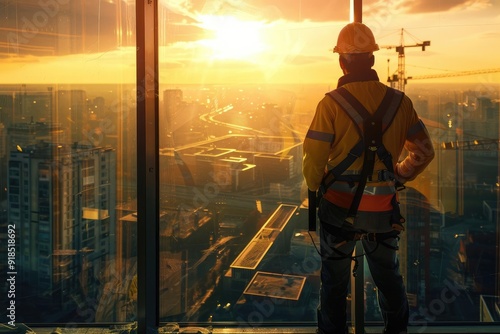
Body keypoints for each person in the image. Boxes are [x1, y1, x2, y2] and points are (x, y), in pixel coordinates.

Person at [302, 22, 435, 334]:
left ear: (341, 61)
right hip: (383, 210)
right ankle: (396, 330)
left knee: (334, 282)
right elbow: (424, 152)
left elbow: (312, 164)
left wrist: (317, 185)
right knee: (388, 276)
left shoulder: (330, 104)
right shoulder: (401, 103)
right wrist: (399, 174)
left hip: (338, 209)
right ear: (373, 60)